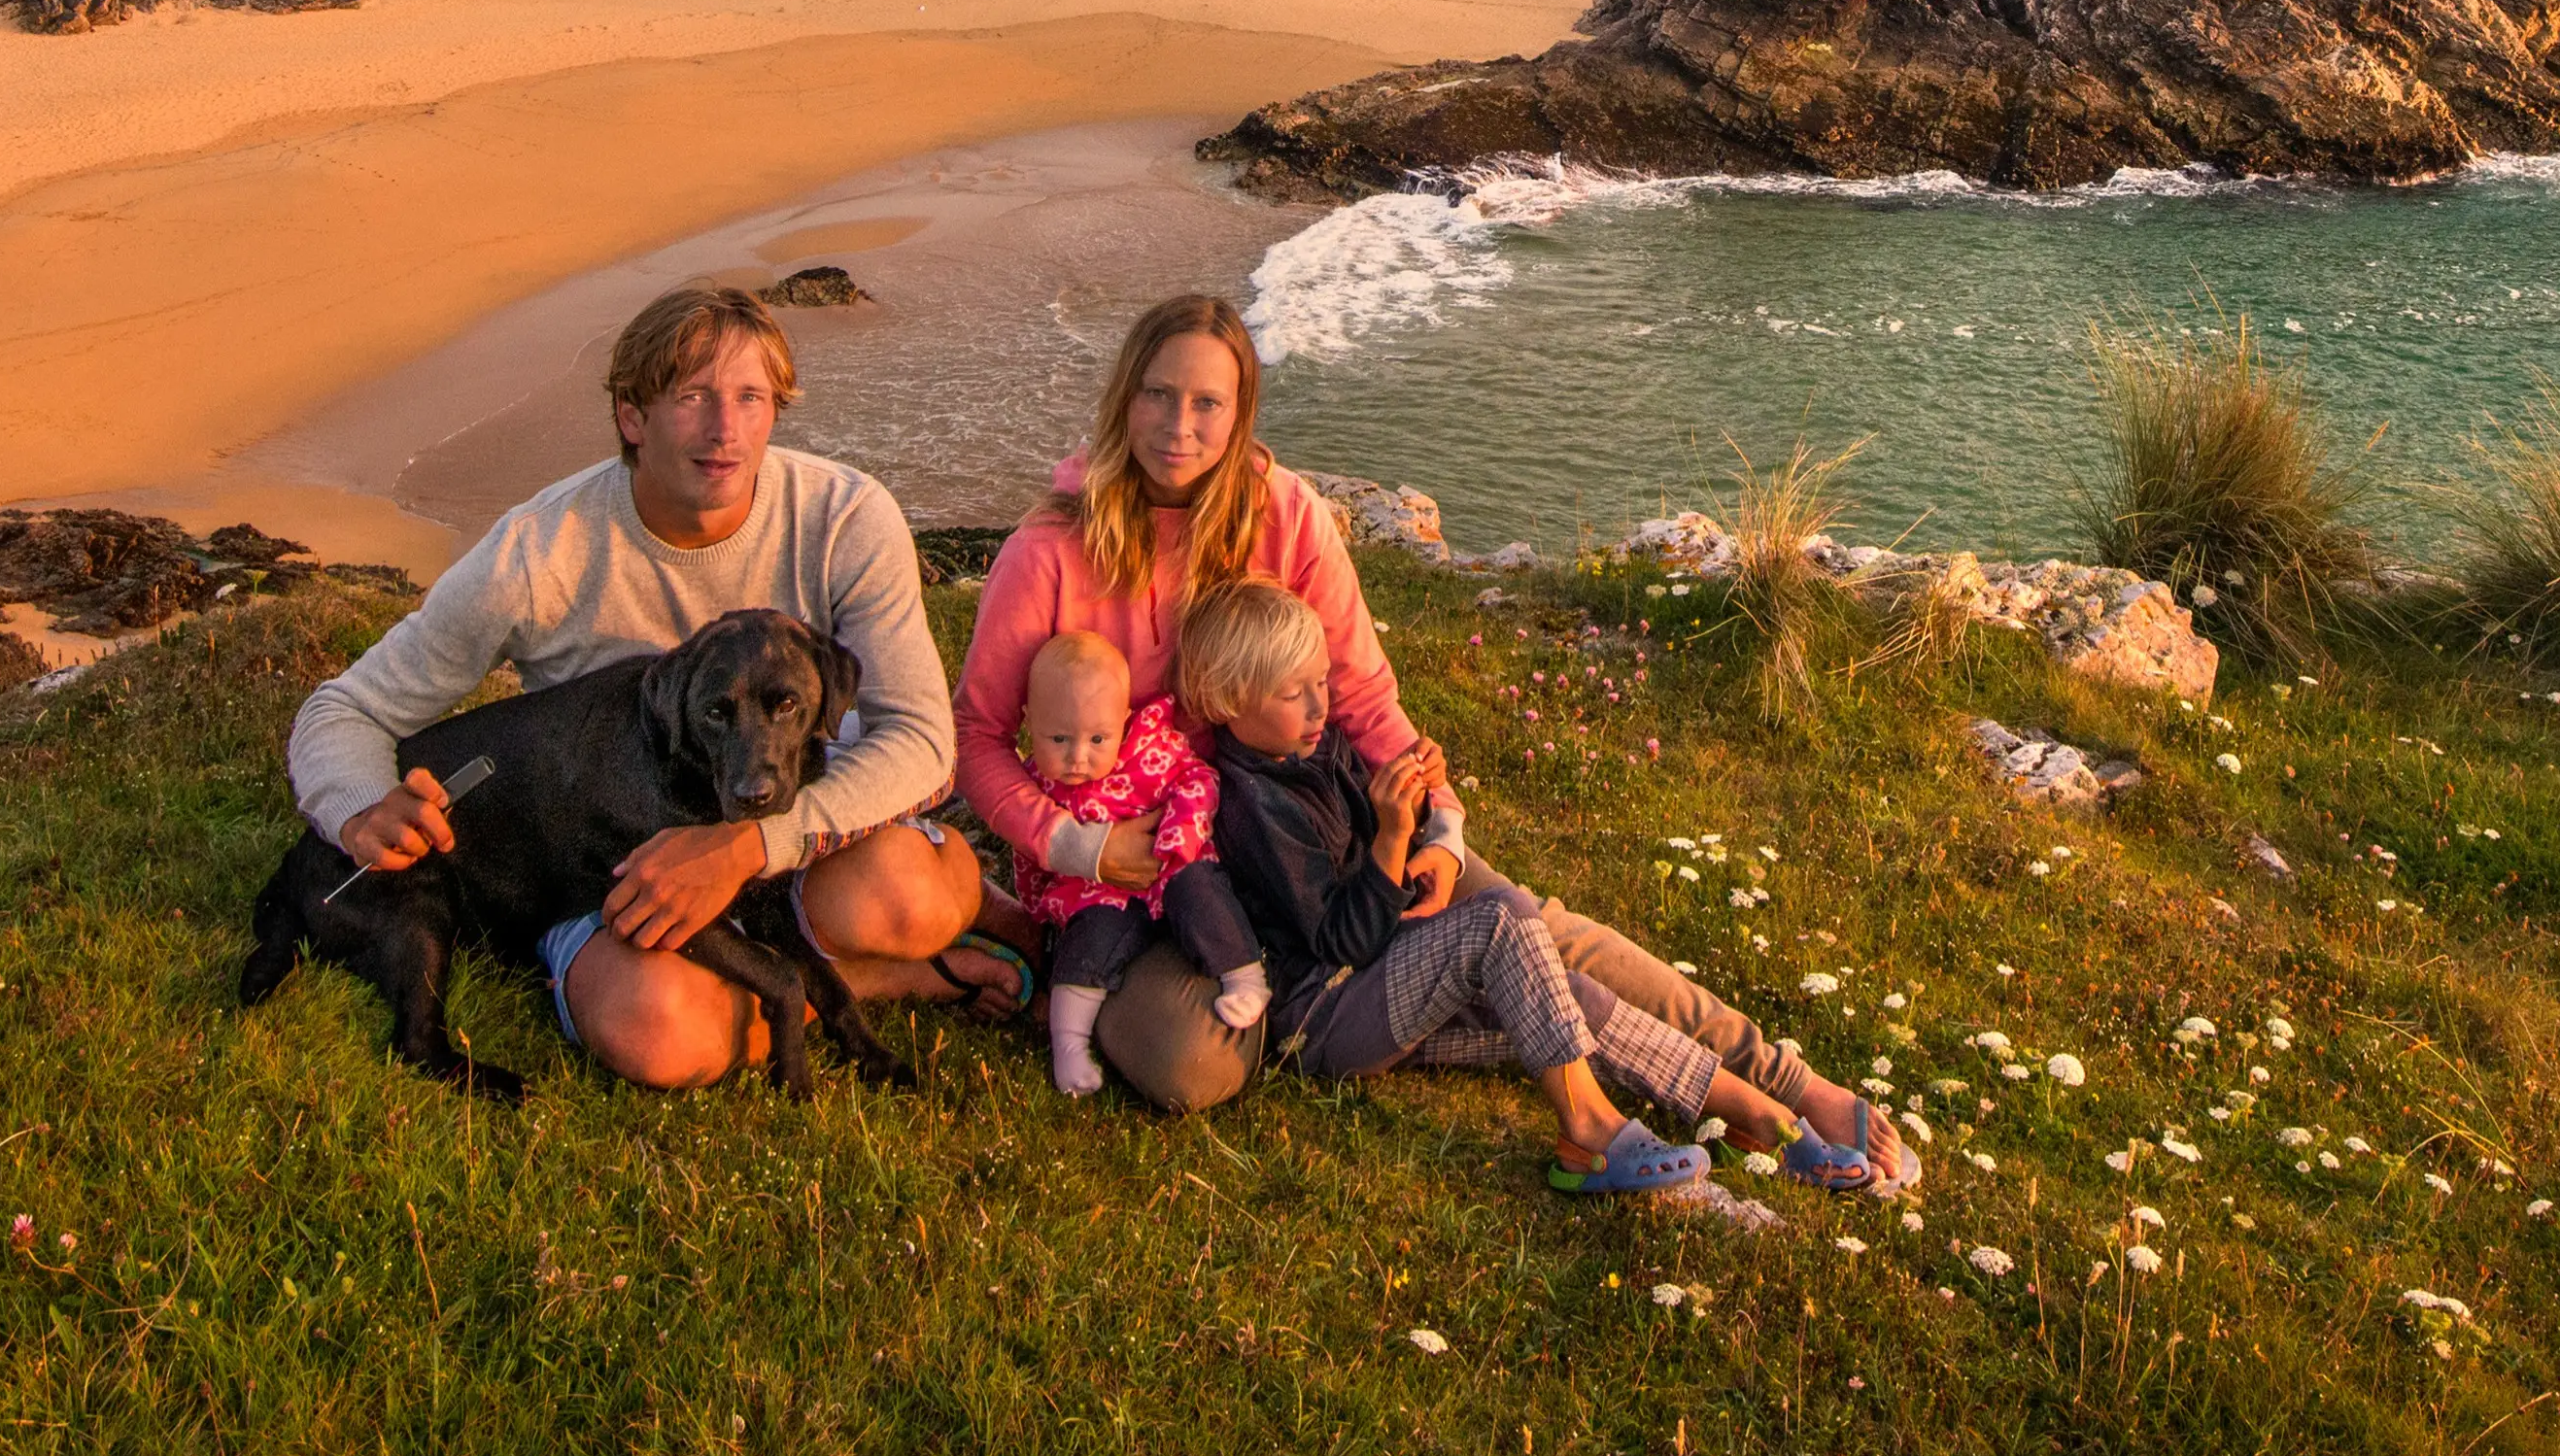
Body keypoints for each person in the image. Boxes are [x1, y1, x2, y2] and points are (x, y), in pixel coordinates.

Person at [951, 293, 1899, 1176]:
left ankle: (1778, 1082)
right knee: (1189, 1068)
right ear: (1124, 397)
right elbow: (977, 735)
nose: (1178, 425)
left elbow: (1361, 697)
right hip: (1158, 876)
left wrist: (1438, 829)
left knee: (1522, 922)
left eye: (1206, 401)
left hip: (1309, 818)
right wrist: (1075, 842)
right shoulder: (1050, 551)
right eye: (1157, 394)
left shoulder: (1284, 518)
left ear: (1239, 416)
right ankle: (1405, 1003)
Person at [290, 285, 1023, 1089]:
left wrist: (745, 847)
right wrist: (359, 806)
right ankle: (885, 976)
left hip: (797, 824)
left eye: (750, 397)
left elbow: (921, 742)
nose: (726, 430)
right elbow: (344, 706)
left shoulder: (844, 516)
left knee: (915, 897)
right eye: (693, 398)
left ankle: (941, 923)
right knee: (660, 1033)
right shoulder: (539, 552)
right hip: (616, 862)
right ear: (632, 417)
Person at [1180, 583, 1896, 1192]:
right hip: (1327, 1017)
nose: (1317, 707)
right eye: (1292, 693)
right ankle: (1588, 1128)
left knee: (1568, 996)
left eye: (1320, 684)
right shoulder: (1251, 807)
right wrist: (1394, 837)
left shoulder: (1316, 746)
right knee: (1497, 918)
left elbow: (1375, 860)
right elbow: (1343, 940)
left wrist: (1414, 797)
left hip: (1385, 979)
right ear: (1226, 700)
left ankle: (1765, 1117)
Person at [1005, 630, 1265, 1095]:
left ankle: (1244, 976)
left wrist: (1181, 833)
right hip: (1098, 891)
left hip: (1171, 862)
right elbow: (1029, 852)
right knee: (1088, 945)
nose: (1077, 757)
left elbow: (1197, 777)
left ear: (1123, 722)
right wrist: (1041, 902)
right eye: (1058, 738)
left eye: (1098, 738)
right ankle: (1068, 1044)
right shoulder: (1037, 785)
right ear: (1029, 722)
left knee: (1203, 894)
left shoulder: (1149, 751)